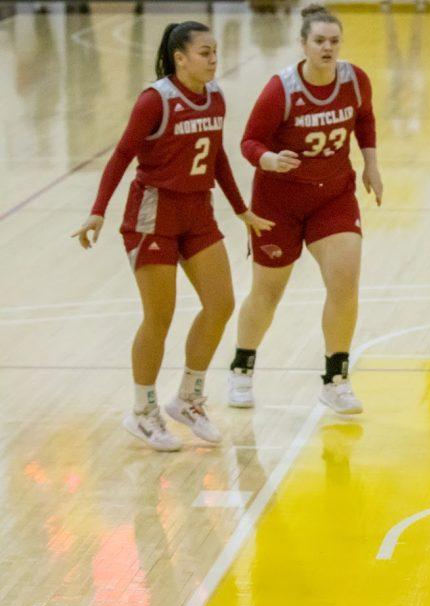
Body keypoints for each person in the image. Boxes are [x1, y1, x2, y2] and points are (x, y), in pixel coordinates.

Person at [73, 21, 270, 451]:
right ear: (180, 58)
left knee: (221, 304)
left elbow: (216, 156)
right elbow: (122, 155)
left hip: (198, 211)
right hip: (153, 214)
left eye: (215, 51)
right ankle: (142, 411)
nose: (214, 58)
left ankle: (188, 399)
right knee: (158, 317)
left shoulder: (215, 96)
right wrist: (96, 212)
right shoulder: (154, 100)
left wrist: (242, 211)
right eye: (204, 52)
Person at [228, 3, 383, 414]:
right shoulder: (281, 89)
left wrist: (371, 163)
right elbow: (249, 141)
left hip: (333, 196)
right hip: (278, 201)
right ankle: (242, 367)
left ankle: (336, 379)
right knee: (267, 292)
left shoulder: (354, 80)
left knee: (345, 283)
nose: (328, 47)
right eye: (319, 41)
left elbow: (364, 118)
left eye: (334, 40)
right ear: (303, 45)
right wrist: (268, 159)